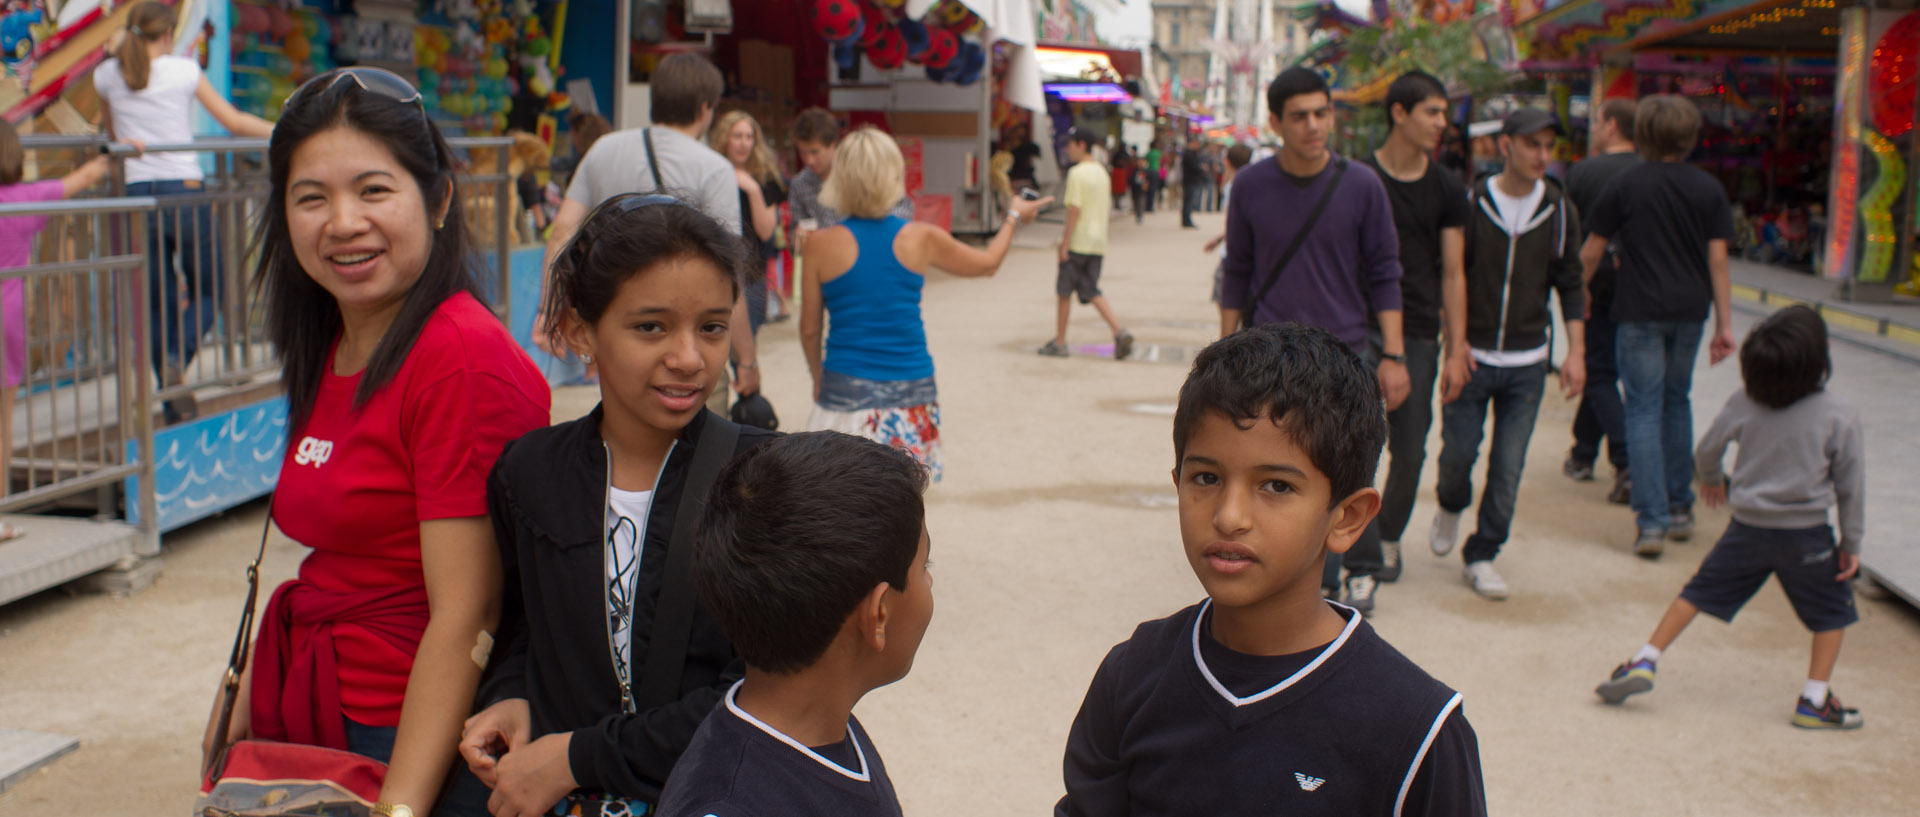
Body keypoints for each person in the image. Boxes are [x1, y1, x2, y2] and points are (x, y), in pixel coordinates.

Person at [210, 66, 551, 817]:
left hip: (404, 735)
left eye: (373, 190)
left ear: (438, 200)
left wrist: (398, 807)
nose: (342, 222)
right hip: (318, 710)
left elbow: (469, 615)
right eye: (311, 197)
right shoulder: (333, 339)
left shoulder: (459, 359)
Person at [1055, 323, 1486, 817]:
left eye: (1276, 487)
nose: (1229, 516)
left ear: (1347, 518)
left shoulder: (1416, 729)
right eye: (1206, 478)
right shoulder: (1131, 677)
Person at [461, 194, 779, 816]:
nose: (689, 358)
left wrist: (577, 758)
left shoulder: (765, 481)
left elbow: (767, 693)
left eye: (712, 327)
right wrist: (509, 694)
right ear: (581, 330)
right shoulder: (529, 474)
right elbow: (527, 624)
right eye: (651, 327)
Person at [1595, 306, 1866, 730]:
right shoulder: (1839, 414)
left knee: (1697, 591)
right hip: (1806, 535)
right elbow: (1850, 486)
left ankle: (1645, 659)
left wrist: (1711, 480)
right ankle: (1814, 698)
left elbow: (1707, 449)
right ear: (1819, 361)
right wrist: (1850, 544)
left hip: (1748, 528)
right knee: (1832, 613)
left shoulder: (1745, 401)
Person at [655, 432, 932, 816]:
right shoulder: (728, 804)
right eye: (924, 568)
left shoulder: (825, 728)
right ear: (879, 614)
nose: (930, 582)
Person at [1220, 67, 1408, 595]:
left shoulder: (1362, 185)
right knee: (1280, 474)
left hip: (1345, 356)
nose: (1313, 126)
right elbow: (1238, 271)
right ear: (1276, 121)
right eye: (1299, 116)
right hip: (1271, 358)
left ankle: (1339, 577)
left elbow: (1385, 271)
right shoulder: (1251, 186)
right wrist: (1224, 350)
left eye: (1321, 113)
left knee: (1342, 470)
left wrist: (1392, 353)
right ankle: (1306, 585)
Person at [799, 128, 1047, 482]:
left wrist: (817, 377)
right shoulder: (920, 237)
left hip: (844, 389)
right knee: (902, 504)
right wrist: (1014, 216)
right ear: (893, 175)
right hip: (912, 390)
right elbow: (988, 263)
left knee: (840, 505)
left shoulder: (819, 244)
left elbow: (809, 328)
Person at [1428, 109, 1587, 601]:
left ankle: (1482, 554)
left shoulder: (1559, 209)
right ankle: (1451, 504)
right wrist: (1454, 347)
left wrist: (1576, 351)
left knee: (1508, 466)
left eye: (1549, 147)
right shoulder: (1473, 203)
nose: (1543, 156)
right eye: (1533, 145)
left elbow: (1571, 284)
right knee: (1457, 455)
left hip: (1527, 363)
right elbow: (1449, 278)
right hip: (1471, 357)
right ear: (1506, 146)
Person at [538, 53, 760, 403]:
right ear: (704, 108)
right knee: (699, 450)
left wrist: (547, 310)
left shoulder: (602, 150)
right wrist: (746, 359)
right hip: (686, 344)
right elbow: (728, 275)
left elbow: (562, 231)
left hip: (620, 337)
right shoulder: (713, 168)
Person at [95, 1, 274, 421]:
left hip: (139, 195)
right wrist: (283, 128)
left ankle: (170, 390)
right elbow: (232, 121)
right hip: (186, 193)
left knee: (158, 302)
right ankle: (179, 357)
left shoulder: (106, 75)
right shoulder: (183, 71)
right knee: (212, 290)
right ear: (169, 33)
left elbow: (113, 135)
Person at [1579, 94, 1738, 557]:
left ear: (1643, 133)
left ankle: (1651, 522)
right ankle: (1681, 506)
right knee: (1676, 401)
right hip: (1690, 311)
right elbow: (1719, 260)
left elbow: (1592, 250)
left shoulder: (1627, 185)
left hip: (1639, 309)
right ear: (1690, 137)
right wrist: (1725, 324)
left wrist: (1576, 296)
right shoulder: (1709, 190)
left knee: (1642, 409)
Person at [1336, 71, 1471, 610]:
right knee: (1351, 442)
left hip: (1416, 329)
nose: (1442, 123)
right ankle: (1359, 554)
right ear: (1399, 112)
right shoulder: (1357, 177)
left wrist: (1457, 347)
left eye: (1443, 114)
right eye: (1433, 112)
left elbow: (1454, 273)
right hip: (1353, 326)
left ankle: (1385, 532)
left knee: (1410, 448)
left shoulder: (1447, 188)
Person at [0, 125, 110, 538]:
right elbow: (85, 177)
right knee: (2, 423)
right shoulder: (29, 198)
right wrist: (106, 153)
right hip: (7, 315)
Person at [1563, 98, 1640, 506]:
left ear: (1611, 126)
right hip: (1641, 289)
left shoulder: (1585, 172)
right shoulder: (1647, 172)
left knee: (1598, 370)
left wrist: (1576, 286)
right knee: (1602, 369)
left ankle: (1627, 458)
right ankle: (1582, 451)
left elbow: (1573, 233)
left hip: (1595, 282)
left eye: (1596, 121)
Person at [1038, 128, 1133, 360]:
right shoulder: (1102, 172)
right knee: (1091, 290)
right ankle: (1119, 331)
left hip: (1078, 241)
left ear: (1081, 145)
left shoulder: (1077, 173)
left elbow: (1074, 209)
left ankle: (1060, 342)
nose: (1067, 150)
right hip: (1097, 242)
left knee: (1064, 292)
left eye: (1070, 145)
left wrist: (1064, 242)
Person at [709, 109, 788, 338]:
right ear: (724, 138)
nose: (744, 143)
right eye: (737, 136)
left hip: (752, 275)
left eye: (749, 137)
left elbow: (766, 232)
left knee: (747, 346)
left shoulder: (766, 177)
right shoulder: (711, 174)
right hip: (716, 270)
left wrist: (752, 189)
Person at [787, 108, 914, 234]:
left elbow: (902, 210)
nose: (809, 160)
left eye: (815, 152)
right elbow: (795, 231)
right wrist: (798, 236)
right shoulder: (800, 183)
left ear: (832, 144)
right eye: (802, 153)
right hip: (824, 251)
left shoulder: (860, 171)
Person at [1203, 143, 1254, 303]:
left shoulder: (1234, 186)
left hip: (1234, 252)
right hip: (1245, 251)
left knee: (1225, 297)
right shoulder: (1250, 185)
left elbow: (1238, 224)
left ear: (1227, 161)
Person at [1179, 138, 1205, 228]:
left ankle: (1186, 219)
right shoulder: (1189, 153)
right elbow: (1193, 166)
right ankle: (1186, 220)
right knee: (1188, 201)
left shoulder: (1189, 153)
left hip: (1189, 180)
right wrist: (1201, 168)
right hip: (1190, 180)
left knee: (1188, 201)